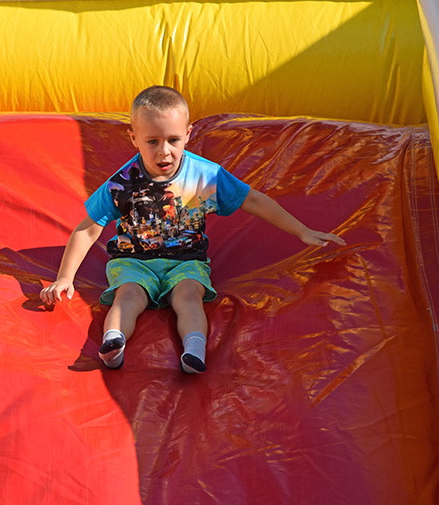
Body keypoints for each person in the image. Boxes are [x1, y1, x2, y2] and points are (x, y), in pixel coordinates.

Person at [40, 86, 345, 373]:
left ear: (188, 134)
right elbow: (88, 229)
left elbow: (251, 199)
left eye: (173, 140)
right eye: (152, 142)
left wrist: (301, 231)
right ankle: (113, 342)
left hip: (186, 262)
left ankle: (194, 350)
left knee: (188, 296)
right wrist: (65, 278)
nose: (164, 152)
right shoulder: (123, 182)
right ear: (133, 138)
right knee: (128, 295)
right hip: (134, 262)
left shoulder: (206, 175)